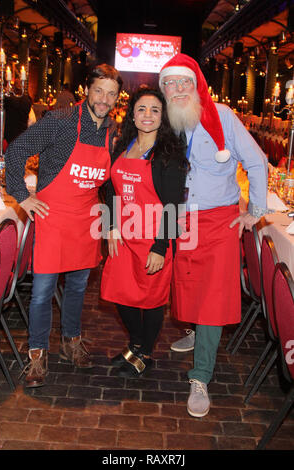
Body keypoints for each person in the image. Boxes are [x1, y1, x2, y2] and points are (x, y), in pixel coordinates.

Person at [158, 53, 268, 417]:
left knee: (212, 299)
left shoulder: (222, 116)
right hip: (182, 219)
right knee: (187, 284)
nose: (176, 90)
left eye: (183, 82)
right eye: (169, 84)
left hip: (220, 221)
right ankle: (196, 332)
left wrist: (255, 212)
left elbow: (256, 162)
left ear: (196, 85)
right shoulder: (167, 123)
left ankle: (200, 375)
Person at [5, 63, 123, 388]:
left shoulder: (113, 132)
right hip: (52, 218)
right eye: (99, 90)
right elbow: (16, 151)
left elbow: (110, 184)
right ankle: (37, 355)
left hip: (86, 220)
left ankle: (71, 341)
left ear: (117, 98)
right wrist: (20, 195)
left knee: (78, 287)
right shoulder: (60, 121)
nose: (104, 99)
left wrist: (111, 222)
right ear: (88, 88)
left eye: (111, 94)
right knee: (42, 292)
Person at [100, 86, 187, 377]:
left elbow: (173, 204)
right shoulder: (122, 147)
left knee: (151, 301)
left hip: (153, 238)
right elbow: (109, 187)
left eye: (154, 110)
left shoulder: (168, 154)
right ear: (132, 116)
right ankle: (136, 342)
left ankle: (145, 352)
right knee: (118, 293)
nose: (147, 115)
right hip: (123, 237)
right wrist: (110, 224)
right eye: (141, 109)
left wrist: (161, 247)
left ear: (163, 117)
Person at [4, 79, 36, 144]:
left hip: (10, 132)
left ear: (14, 87)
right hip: (22, 132)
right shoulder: (27, 100)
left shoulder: (8, 99)